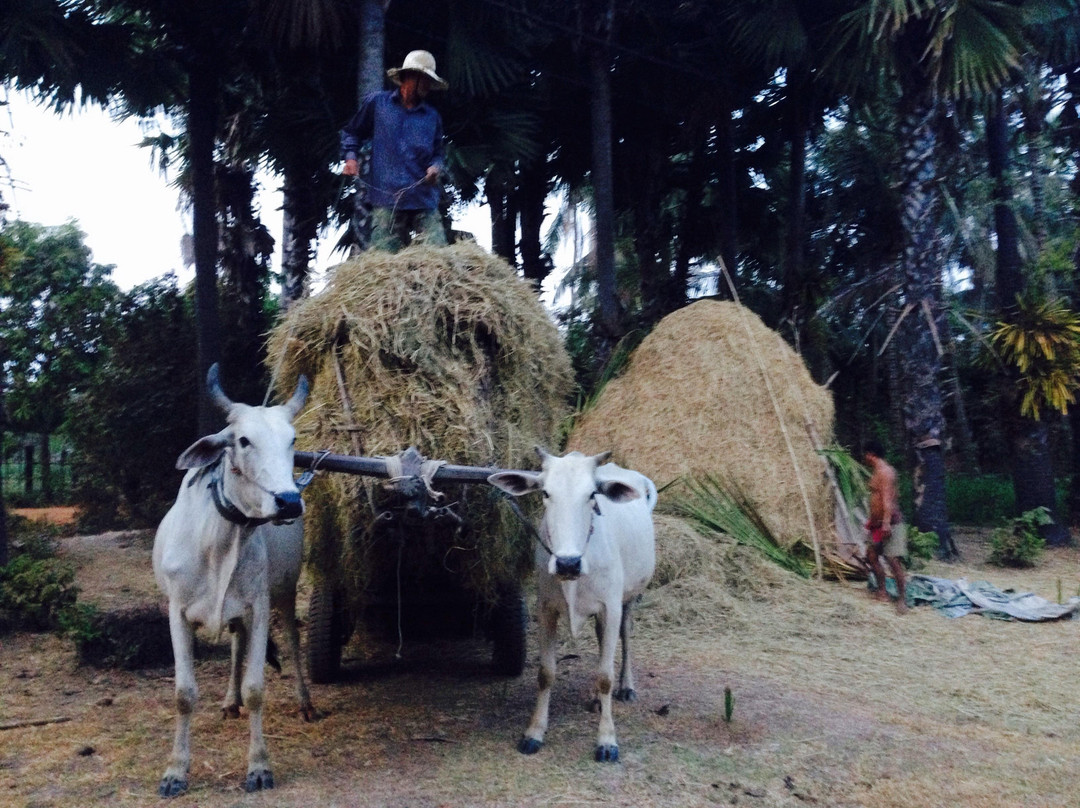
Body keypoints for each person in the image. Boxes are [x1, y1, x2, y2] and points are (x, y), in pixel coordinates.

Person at [340, 50, 449, 252]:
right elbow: (351, 133)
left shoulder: (432, 117)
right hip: (386, 200)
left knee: (439, 260)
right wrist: (351, 158)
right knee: (383, 265)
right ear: (410, 77)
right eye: (424, 79)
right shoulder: (378, 104)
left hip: (423, 200)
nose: (427, 86)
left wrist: (435, 166)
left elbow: (438, 153)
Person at [863, 440, 908, 614]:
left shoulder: (886, 472)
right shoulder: (877, 472)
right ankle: (882, 591)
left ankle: (902, 600)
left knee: (892, 560)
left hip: (889, 523)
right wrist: (874, 521)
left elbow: (887, 500)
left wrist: (886, 523)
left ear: (870, 454)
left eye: (865, 455)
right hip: (877, 524)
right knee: (872, 555)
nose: (864, 458)